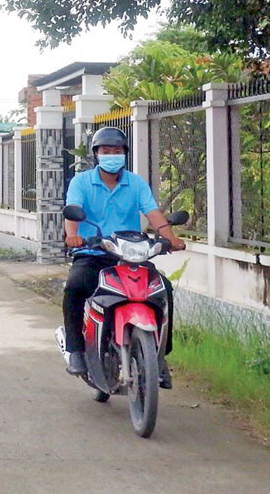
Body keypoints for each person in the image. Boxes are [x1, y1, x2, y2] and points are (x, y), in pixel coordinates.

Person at [62, 125, 185, 380]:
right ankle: (76, 350)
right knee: (75, 286)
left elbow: (153, 213)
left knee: (164, 290)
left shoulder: (135, 183)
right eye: (106, 151)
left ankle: (160, 357)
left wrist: (171, 239)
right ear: (96, 154)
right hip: (93, 253)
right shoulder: (81, 182)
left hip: (130, 255)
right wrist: (72, 235)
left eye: (116, 150)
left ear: (124, 153)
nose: (111, 155)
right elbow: (73, 209)